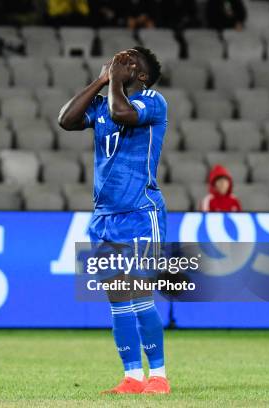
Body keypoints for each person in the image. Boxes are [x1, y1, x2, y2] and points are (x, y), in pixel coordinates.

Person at [58, 47, 170, 394]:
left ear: (141, 76)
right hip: (104, 216)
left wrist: (115, 83)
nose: (119, 60)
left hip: (140, 212)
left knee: (139, 295)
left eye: (129, 60)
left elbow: (122, 113)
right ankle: (132, 377)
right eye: (118, 57)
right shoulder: (106, 100)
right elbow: (67, 119)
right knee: (118, 299)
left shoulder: (153, 101)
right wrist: (101, 80)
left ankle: (159, 377)